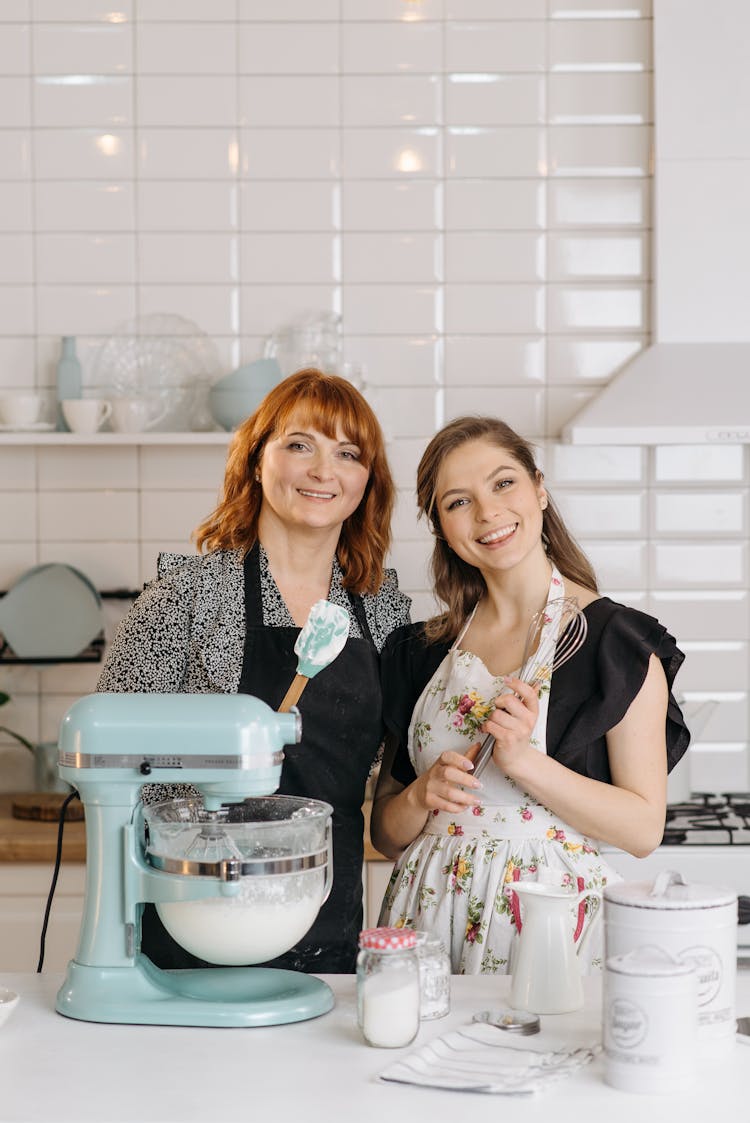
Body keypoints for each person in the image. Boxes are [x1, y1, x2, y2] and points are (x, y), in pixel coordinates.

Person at [97, 368, 411, 973]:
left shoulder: (383, 608)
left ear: (366, 482)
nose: (324, 471)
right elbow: (109, 753)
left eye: (348, 454)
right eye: (300, 445)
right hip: (195, 906)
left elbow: (397, 764)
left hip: (324, 907)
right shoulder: (187, 594)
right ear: (255, 460)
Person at [371, 416, 689, 974]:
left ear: (539, 488)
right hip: (425, 923)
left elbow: (643, 830)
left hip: (550, 932)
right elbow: (386, 832)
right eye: (458, 502)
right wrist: (422, 795)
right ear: (441, 526)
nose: (488, 513)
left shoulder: (615, 644)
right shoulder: (418, 652)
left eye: (503, 484)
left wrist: (525, 763)